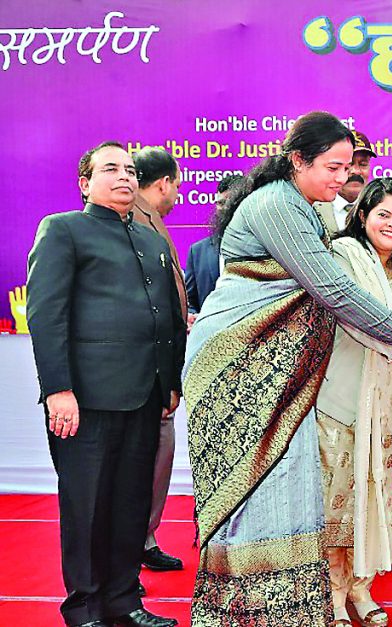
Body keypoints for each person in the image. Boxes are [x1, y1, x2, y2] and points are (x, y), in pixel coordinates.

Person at [184, 111, 392, 625]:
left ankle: (282, 610)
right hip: (237, 366)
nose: (342, 178)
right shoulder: (277, 205)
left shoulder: (308, 207)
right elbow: (333, 290)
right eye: (333, 167)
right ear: (297, 160)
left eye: (348, 167)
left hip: (278, 373)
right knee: (254, 491)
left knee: (286, 488)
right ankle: (243, 611)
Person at [27, 141, 184, 627]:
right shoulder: (64, 230)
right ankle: (84, 608)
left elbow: (168, 317)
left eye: (131, 170)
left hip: (145, 395)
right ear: (85, 183)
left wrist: (170, 382)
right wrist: (58, 390)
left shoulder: (151, 241)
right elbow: (46, 315)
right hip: (86, 399)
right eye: (111, 169)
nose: (124, 177)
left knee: (132, 503)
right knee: (87, 506)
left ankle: (124, 601)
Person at [315, 178, 392, 626]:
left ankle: (360, 588)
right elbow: (358, 318)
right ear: (363, 215)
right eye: (383, 214)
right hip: (342, 400)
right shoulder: (341, 256)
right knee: (338, 502)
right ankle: (332, 594)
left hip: (386, 405)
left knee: (376, 496)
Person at [131, 147, 187, 576]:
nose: (177, 196)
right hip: (141, 372)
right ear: (164, 183)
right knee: (140, 462)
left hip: (158, 368)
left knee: (157, 455)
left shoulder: (151, 221)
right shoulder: (132, 221)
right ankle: (127, 553)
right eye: (176, 186)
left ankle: (142, 540)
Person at [184, 174, 243, 317]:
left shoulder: (263, 248)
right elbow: (189, 302)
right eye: (221, 203)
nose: (225, 209)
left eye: (231, 202)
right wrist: (193, 317)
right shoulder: (198, 252)